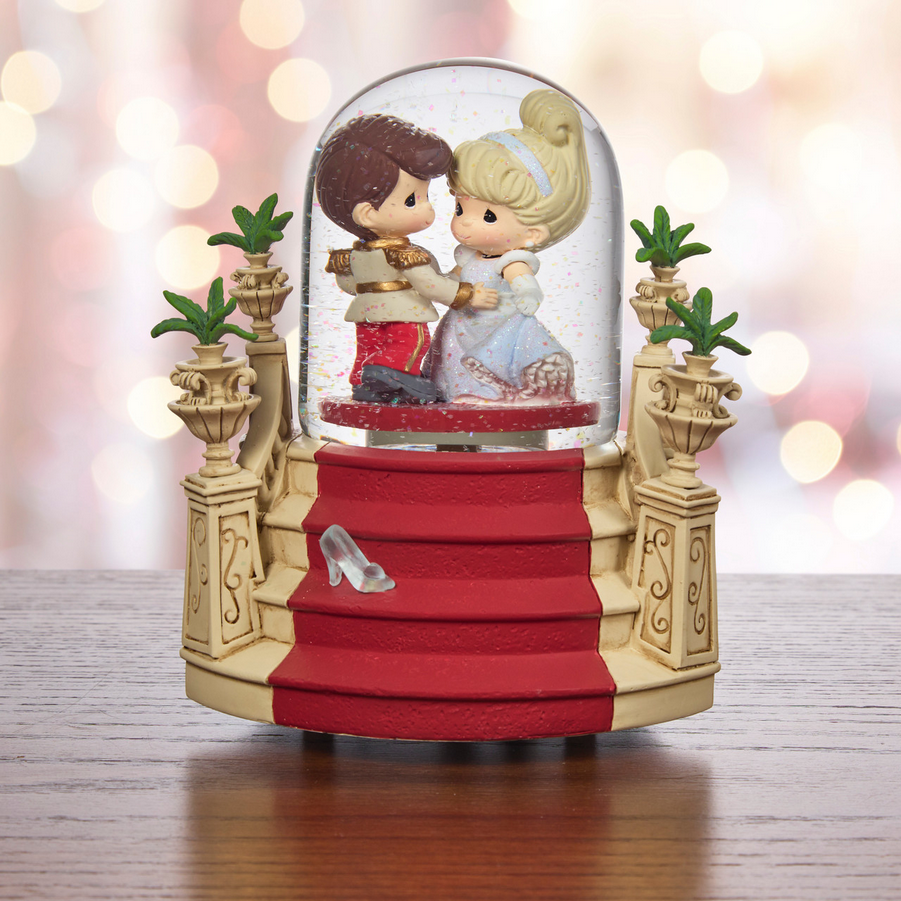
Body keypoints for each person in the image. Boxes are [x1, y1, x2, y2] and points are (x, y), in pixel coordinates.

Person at [425, 89, 591, 405]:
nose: (465, 223)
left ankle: (494, 391)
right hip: (463, 322)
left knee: (492, 358)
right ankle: (455, 391)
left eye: (488, 216)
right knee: (452, 356)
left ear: (532, 233)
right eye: (460, 209)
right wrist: (439, 283)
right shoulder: (469, 256)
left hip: (500, 325)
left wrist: (528, 293)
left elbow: (523, 282)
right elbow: (453, 278)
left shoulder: (511, 261)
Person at [315, 114, 497, 403]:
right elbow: (429, 286)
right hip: (403, 312)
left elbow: (349, 285)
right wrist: (468, 294)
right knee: (410, 343)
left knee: (368, 346)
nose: (428, 210)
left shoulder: (356, 254)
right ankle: (396, 375)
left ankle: (363, 379)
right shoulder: (403, 254)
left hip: (365, 313)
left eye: (425, 197)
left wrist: (454, 272)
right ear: (367, 214)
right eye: (412, 200)